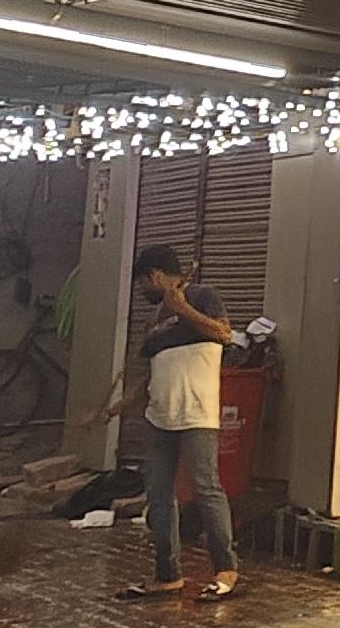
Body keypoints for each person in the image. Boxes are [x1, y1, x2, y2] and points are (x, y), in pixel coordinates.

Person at [92, 243, 240, 599]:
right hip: (158, 418)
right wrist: (115, 409)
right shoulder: (154, 320)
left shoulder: (203, 296)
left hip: (197, 414)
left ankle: (226, 569)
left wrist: (183, 309)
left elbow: (224, 334)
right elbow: (150, 377)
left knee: (206, 488)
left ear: (155, 275)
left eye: (143, 283)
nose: (143, 291)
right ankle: (167, 574)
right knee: (159, 494)